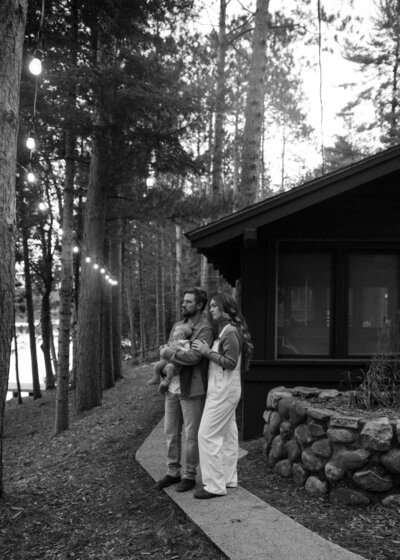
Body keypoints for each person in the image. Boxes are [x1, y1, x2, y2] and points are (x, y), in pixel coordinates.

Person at [191, 292, 253, 499]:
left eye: (215, 306)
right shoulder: (225, 331)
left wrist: (206, 351)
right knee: (227, 435)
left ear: (227, 309)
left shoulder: (230, 332)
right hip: (223, 389)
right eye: (211, 306)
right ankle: (228, 478)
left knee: (206, 435)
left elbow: (230, 362)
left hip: (223, 391)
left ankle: (214, 485)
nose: (211, 309)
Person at [156, 287, 214, 493]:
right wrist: (168, 354)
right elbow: (171, 351)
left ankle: (190, 475)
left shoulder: (205, 329)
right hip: (172, 387)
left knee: (191, 434)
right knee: (170, 432)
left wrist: (167, 352)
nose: (184, 304)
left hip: (192, 388)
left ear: (199, 305)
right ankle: (173, 472)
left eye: (189, 302)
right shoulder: (178, 325)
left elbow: (193, 358)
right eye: (184, 301)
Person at [148, 322, 193, 394]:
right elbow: (169, 348)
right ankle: (156, 377)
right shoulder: (173, 341)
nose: (173, 332)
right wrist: (164, 347)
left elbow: (188, 351)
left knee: (169, 368)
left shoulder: (185, 342)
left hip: (176, 363)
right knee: (157, 365)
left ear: (182, 334)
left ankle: (167, 381)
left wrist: (179, 348)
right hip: (167, 360)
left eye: (175, 331)